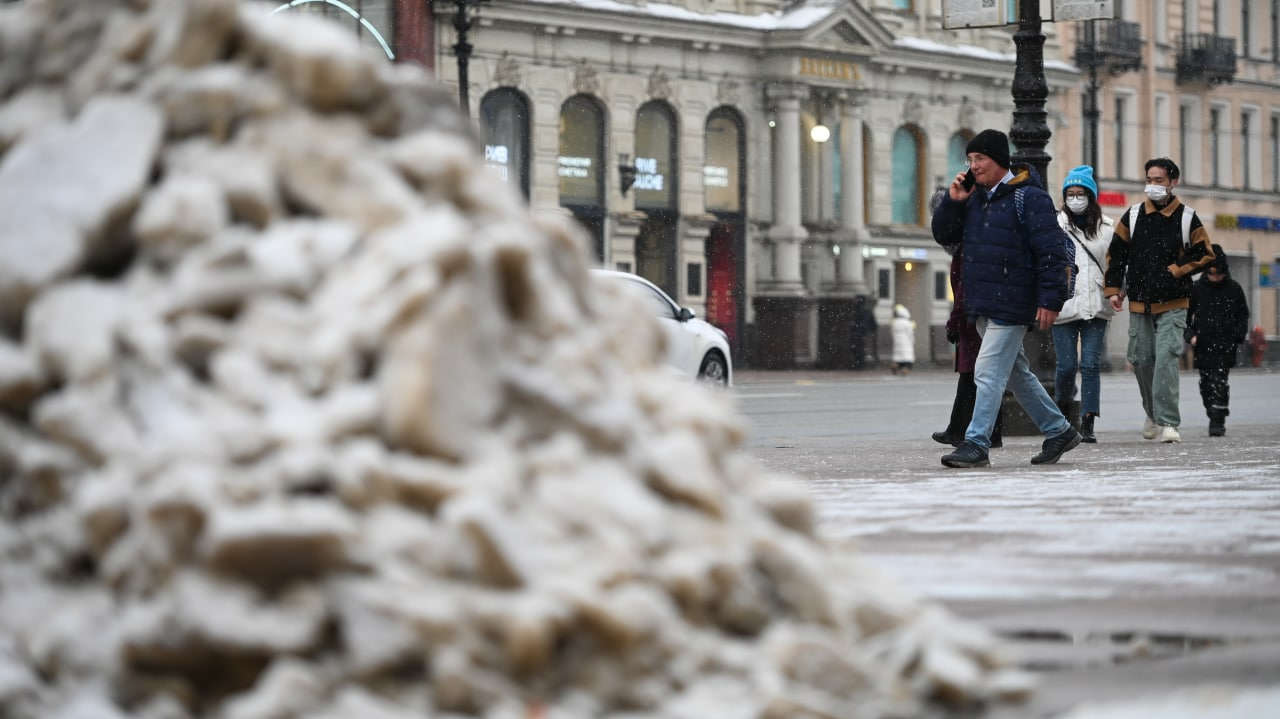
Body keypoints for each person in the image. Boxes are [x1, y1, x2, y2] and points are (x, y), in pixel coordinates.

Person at [930, 129, 1079, 468]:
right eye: (970, 160)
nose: (973, 166)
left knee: (987, 371)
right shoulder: (975, 198)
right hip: (982, 300)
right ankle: (1059, 430)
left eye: (979, 159)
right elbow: (945, 235)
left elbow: (1051, 252)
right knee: (1015, 373)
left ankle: (976, 442)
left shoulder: (1029, 198)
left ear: (998, 160)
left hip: (1014, 301)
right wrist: (953, 201)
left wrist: (1050, 300)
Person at [1104, 158, 1215, 443]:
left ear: (1172, 182)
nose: (1152, 186)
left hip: (1175, 300)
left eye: (1159, 180)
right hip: (1140, 301)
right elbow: (1117, 254)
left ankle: (1168, 422)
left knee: (1166, 358)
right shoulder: (1133, 215)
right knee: (1140, 359)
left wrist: (1175, 270)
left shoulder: (1187, 217)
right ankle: (1152, 413)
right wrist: (1115, 289)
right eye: (1149, 180)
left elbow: (1205, 253)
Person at [1051, 165, 1115, 443]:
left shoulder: (1108, 228)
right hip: (1063, 305)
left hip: (1096, 305)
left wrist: (1115, 289)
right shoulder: (1053, 225)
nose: (1075, 198)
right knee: (1066, 367)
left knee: (1090, 365)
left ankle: (1088, 421)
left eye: (1081, 193)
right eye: (1070, 194)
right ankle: (1063, 416)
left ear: (1091, 196)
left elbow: (1115, 265)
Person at [932, 246, 1003, 448]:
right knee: (986, 376)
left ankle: (960, 429)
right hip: (980, 315)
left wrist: (954, 322)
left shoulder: (966, 251)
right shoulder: (974, 246)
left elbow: (963, 291)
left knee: (973, 376)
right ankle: (989, 431)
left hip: (973, 320)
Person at [1185, 244, 1249, 436]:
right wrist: (1191, 336)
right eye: (1211, 273)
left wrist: (1237, 336)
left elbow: (1242, 315)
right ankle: (1212, 411)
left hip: (1225, 344)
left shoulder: (1234, 289)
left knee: (1220, 381)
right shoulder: (1197, 289)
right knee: (1206, 383)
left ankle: (1218, 420)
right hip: (1203, 344)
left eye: (1218, 274)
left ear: (1224, 272)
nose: (1215, 277)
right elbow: (1186, 317)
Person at [848, 295, 877, 370]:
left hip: (859, 333)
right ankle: (859, 364)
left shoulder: (858, 310)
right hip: (862, 333)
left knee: (857, 350)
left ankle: (859, 365)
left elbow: (870, 323)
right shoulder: (866, 310)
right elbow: (873, 323)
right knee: (859, 349)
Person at [890, 304, 915, 375]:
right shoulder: (907, 323)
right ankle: (905, 369)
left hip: (897, 341)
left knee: (898, 357)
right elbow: (910, 334)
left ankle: (895, 365)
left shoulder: (894, 322)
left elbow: (892, 332)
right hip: (906, 342)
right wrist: (912, 341)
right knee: (907, 358)